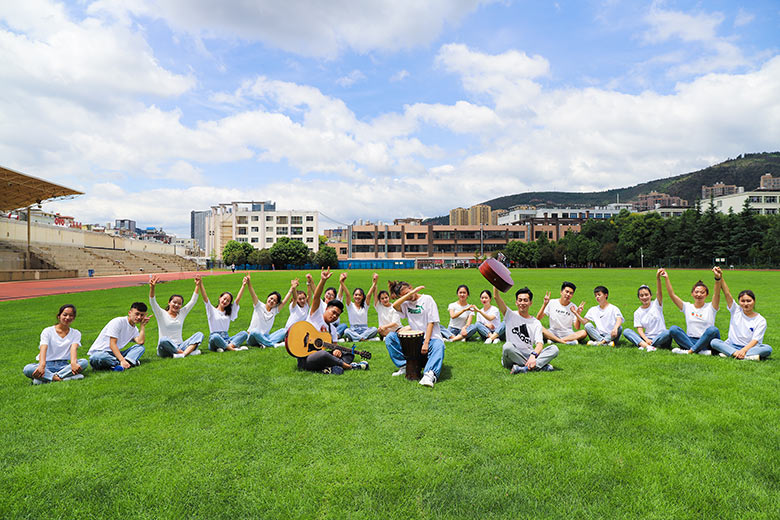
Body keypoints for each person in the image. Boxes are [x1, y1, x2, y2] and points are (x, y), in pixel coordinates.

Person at [297, 267, 369, 374]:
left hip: (321, 356)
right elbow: (316, 297)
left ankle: (329, 369)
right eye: (333, 312)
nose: (334, 316)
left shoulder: (333, 330)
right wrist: (323, 280)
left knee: (349, 353)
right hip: (306, 358)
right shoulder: (315, 315)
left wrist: (336, 350)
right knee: (323, 354)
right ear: (326, 308)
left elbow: (334, 346)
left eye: (337, 315)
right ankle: (349, 367)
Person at [386, 280, 445, 387]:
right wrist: (409, 294)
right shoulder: (405, 304)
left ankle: (429, 375)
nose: (408, 297)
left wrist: (426, 342)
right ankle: (405, 366)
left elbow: (431, 322)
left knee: (439, 345)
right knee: (390, 337)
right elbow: (394, 305)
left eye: (408, 292)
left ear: (411, 287)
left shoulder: (427, 299)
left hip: (431, 338)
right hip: (414, 340)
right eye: (404, 296)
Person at [710, 267, 772, 361]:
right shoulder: (736, 310)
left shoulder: (760, 320)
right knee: (714, 342)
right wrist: (719, 277)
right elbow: (727, 294)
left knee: (767, 349)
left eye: (749, 301)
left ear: (754, 301)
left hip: (750, 347)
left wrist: (744, 350)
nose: (746, 304)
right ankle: (745, 356)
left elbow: (755, 340)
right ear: (739, 302)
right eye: (743, 301)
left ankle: (731, 353)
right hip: (732, 345)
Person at [493, 286, 558, 374]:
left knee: (554, 349)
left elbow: (539, 344)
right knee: (507, 347)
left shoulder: (536, 323)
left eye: (525, 300)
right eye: (520, 300)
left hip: (529, 355)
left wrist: (533, 355)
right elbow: (496, 297)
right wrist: (496, 282)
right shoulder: (509, 315)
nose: (522, 303)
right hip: (512, 355)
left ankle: (524, 368)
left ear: (530, 303)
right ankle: (539, 366)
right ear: (516, 302)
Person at [662, 268, 721, 355]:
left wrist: (717, 279)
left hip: (706, 340)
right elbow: (672, 295)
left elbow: (717, 294)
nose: (699, 294)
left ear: (707, 294)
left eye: (702, 292)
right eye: (696, 292)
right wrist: (666, 278)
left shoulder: (711, 307)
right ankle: (700, 351)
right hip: (690, 340)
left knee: (713, 330)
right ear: (692, 293)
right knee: (673, 329)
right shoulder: (687, 307)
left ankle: (691, 351)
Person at [24, 304, 87, 384]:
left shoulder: (76, 333)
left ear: (74, 318)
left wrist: (73, 363)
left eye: (71, 315)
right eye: (65, 315)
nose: (67, 317)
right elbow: (43, 348)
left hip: (64, 366)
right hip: (47, 366)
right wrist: (42, 366)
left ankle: (47, 378)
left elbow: (73, 349)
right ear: (59, 316)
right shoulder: (47, 331)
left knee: (84, 362)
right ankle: (62, 378)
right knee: (27, 369)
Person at [149, 275, 203, 358]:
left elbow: (193, 301)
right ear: (169, 303)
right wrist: (152, 288)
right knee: (163, 340)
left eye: (179, 303)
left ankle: (182, 354)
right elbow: (152, 301)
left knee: (199, 334)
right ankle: (187, 353)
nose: (176, 305)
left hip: (180, 345)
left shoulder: (182, 313)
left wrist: (197, 285)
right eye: (174, 302)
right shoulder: (161, 313)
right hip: (164, 348)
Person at [88, 302, 149, 370]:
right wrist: (122, 360)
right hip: (102, 353)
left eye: (142, 315)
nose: (139, 317)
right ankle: (127, 363)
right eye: (137, 314)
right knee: (96, 357)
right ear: (129, 313)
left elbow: (140, 342)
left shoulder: (134, 329)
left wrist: (142, 326)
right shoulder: (118, 322)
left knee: (140, 348)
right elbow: (112, 344)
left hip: (116, 354)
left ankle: (118, 365)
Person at [623, 270, 672, 351]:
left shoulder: (657, 304)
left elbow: (659, 292)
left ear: (650, 295)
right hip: (647, 338)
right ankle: (648, 346)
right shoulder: (637, 312)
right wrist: (646, 339)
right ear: (639, 298)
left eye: (646, 295)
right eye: (641, 295)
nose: (644, 297)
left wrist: (658, 278)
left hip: (661, 337)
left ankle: (644, 345)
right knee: (626, 331)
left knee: (668, 332)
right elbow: (640, 329)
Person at [198, 277, 249, 352]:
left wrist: (243, 285)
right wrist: (200, 284)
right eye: (224, 299)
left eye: (228, 301)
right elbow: (205, 298)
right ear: (220, 298)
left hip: (226, 339)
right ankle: (233, 349)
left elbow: (237, 300)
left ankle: (225, 347)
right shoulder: (211, 310)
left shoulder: (229, 312)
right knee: (215, 337)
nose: (225, 301)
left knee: (244, 334)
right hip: (214, 339)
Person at [245, 275, 293, 348]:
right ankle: (273, 344)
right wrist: (249, 283)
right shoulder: (258, 305)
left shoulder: (274, 311)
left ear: (276, 304)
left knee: (284, 331)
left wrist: (292, 288)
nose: (272, 301)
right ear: (268, 297)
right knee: (254, 331)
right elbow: (252, 293)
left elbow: (284, 302)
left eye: (275, 301)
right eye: (271, 298)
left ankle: (264, 343)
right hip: (253, 337)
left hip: (265, 336)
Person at [339, 272, 378, 341]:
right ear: (353, 296)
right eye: (356, 295)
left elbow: (369, 295)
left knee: (374, 329)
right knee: (346, 331)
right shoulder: (350, 305)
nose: (357, 296)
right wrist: (342, 282)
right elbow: (347, 294)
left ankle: (357, 338)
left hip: (365, 330)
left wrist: (374, 283)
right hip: (353, 330)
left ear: (362, 297)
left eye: (360, 295)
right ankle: (364, 339)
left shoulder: (365, 306)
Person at [370, 273, 402, 339]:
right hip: (384, 331)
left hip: (397, 330)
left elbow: (395, 323)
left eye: (386, 297)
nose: (385, 300)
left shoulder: (394, 307)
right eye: (382, 298)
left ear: (389, 297)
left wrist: (385, 326)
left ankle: (391, 337)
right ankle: (391, 337)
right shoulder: (379, 306)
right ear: (380, 300)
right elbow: (375, 294)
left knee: (408, 328)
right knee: (380, 330)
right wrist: (374, 282)